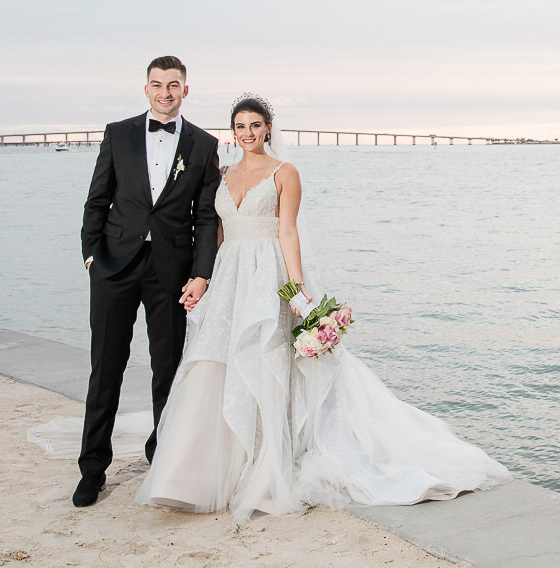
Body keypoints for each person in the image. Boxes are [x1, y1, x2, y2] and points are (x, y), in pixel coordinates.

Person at [135, 94, 509, 519]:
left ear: (268, 129)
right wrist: (204, 278)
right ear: (232, 132)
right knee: (218, 361)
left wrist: (295, 287)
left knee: (267, 362)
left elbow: (288, 231)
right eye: (240, 126)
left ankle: (268, 463)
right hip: (231, 275)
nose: (248, 133)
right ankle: (201, 472)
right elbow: (217, 232)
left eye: (255, 125)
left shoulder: (285, 172)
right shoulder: (222, 174)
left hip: (267, 273)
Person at [73, 56, 222, 507]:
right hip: (114, 267)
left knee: (169, 371)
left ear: (185, 91)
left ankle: (164, 461)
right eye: (157, 85)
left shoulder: (203, 144)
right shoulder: (117, 133)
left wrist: (201, 273)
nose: (165, 93)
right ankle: (92, 470)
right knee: (105, 369)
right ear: (146, 90)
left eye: (173, 85)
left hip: (170, 274)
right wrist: (90, 255)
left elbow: (205, 217)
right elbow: (97, 199)